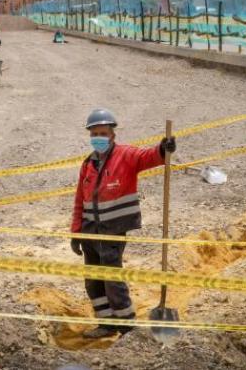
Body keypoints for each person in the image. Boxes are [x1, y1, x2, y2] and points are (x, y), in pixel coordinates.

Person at [70, 108, 176, 339]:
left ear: (112, 135)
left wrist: (162, 149)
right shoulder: (88, 164)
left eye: (103, 133)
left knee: (112, 278)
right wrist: (75, 232)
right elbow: (80, 199)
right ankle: (106, 323)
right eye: (94, 134)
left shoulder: (125, 155)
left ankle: (126, 325)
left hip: (113, 231)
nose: (98, 137)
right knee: (93, 280)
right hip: (90, 232)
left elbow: (149, 157)